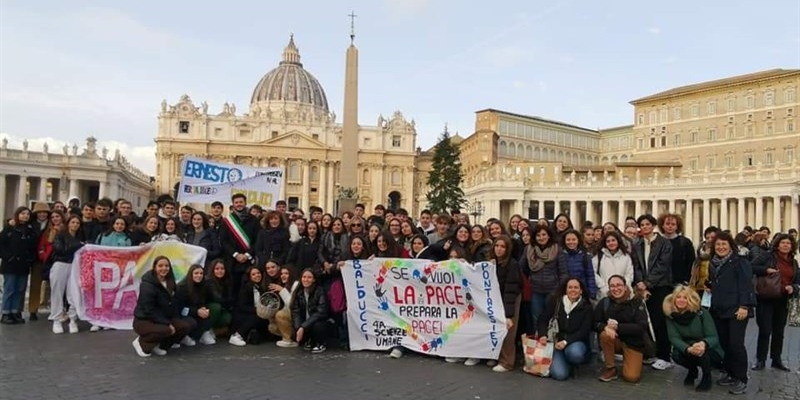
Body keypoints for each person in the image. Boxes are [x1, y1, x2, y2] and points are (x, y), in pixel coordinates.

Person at [708, 231, 755, 395]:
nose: (721, 247)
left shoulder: (739, 261)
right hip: (720, 309)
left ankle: (742, 378)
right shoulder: (713, 263)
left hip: (737, 309)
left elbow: (746, 284)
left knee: (736, 344)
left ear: (730, 246)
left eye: (724, 244)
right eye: (718, 244)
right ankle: (730, 373)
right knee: (725, 343)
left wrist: (744, 306)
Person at [750, 233, 798, 372]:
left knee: (779, 331)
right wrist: (766, 270)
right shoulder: (767, 256)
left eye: (788, 243)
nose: (785, 245)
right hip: (766, 298)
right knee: (765, 330)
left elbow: (797, 279)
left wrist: (793, 287)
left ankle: (776, 359)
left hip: (782, 299)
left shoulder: (793, 262)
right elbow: (751, 266)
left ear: (792, 246)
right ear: (777, 244)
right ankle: (760, 359)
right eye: (783, 243)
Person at [132, 256, 197, 357]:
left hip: (163, 318)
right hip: (145, 320)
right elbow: (148, 310)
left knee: (185, 325)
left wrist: (176, 319)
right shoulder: (147, 285)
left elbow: (174, 303)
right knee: (166, 330)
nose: (164, 268)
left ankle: (161, 346)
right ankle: (142, 342)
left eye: (166, 266)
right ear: (155, 267)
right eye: (160, 266)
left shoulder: (170, 282)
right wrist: (167, 323)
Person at [663, 285, 723, 392]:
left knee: (702, 354)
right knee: (676, 355)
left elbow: (713, 337)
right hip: (689, 347)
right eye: (678, 297)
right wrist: (688, 348)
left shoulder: (702, 313)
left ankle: (706, 377)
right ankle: (692, 371)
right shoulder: (670, 316)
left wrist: (703, 344)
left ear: (690, 300)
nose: (681, 300)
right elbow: (674, 338)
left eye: (685, 298)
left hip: (708, 348)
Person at [594, 275, 649, 383]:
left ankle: (633, 360)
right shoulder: (604, 302)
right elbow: (595, 322)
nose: (616, 288)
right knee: (605, 335)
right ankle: (610, 368)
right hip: (614, 340)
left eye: (619, 285)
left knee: (631, 377)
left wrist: (618, 327)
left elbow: (642, 327)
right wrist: (605, 327)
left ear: (625, 286)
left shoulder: (637, 302)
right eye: (612, 286)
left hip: (633, 343)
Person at [538, 278, 593, 380]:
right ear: (566, 289)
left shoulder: (587, 307)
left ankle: (573, 364)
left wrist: (565, 342)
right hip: (556, 343)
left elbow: (584, 331)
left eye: (576, 287)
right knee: (560, 375)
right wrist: (543, 335)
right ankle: (564, 364)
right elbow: (543, 319)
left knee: (575, 354)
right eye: (570, 287)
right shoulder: (556, 302)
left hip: (576, 343)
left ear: (581, 290)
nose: (573, 290)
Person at [0, 207, 39, 324]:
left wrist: (30, 259)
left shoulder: (30, 230)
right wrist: (7, 257)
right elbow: (1, 243)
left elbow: (33, 246)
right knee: (10, 288)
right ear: (17, 214)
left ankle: (15, 311)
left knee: (20, 289)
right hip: (11, 264)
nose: (25, 216)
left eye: (27, 214)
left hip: (24, 264)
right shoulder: (9, 228)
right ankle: (6, 313)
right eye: (22, 213)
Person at [49, 215, 85, 334]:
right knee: (57, 292)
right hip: (61, 264)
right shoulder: (60, 236)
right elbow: (60, 249)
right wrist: (78, 245)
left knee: (73, 292)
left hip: (75, 266)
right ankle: (56, 319)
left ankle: (73, 319)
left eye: (77, 223)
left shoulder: (80, 237)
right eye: (73, 222)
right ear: (68, 223)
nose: (75, 225)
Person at [174, 264, 218, 346]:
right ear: (191, 274)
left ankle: (203, 334)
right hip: (182, 314)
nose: (199, 276)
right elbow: (179, 308)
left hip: (196, 310)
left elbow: (208, 300)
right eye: (196, 273)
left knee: (212, 310)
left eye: (201, 273)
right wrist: (196, 311)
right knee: (192, 322)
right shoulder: (182, 287)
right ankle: (184, 336)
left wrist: (204, 309)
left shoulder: (203, 285)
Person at [291, 268, 330, 353]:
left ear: (314, 279)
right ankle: (309, 340)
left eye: (309, 277)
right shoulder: (298, 292)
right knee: (294, 332)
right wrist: (298, 328)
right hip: (305, 321)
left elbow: (321, 312)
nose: (306, 280)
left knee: (317, 326)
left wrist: (303, 327)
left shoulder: (320, 291)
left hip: (319, 321)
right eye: (304, 277)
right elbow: (295, 312)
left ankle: (320, 343)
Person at [229, 266, 269, 346]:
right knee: (257, 317)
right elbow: (242, 306)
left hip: (258, 313)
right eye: (253, 274)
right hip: (245, 314)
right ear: (249, 277)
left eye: (258, 273)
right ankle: (237, 335)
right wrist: (257, 310)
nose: (257, 275)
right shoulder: (245, 288)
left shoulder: (262, 287)